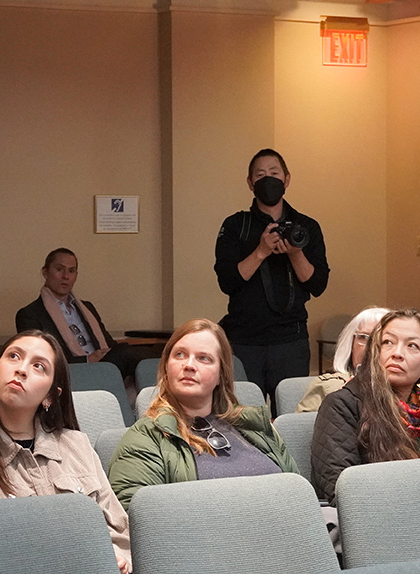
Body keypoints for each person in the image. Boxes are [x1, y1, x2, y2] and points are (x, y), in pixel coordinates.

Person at [0, 330, 131, 574]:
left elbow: (119, 531)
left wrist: (116, 557)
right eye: (14, 356)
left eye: (39, 366)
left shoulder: (76, 444)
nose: (22, 370)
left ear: (50, 395)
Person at [107, 319, 299, 510]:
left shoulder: (256, 428)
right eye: (180, 355)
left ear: (220, 375)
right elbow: (141, 522)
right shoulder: (145, 439)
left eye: (203, 358)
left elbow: (299, 495)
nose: (189, 365)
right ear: (166, 367)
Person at [215, 149, 330, 405]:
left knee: (290, 415)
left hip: (291, 341)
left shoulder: (306, 227)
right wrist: (261, 251)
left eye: (274, 173)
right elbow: (227, 282)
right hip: (244, 342)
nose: (268, 179)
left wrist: (296, 253)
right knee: (242, 417)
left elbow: (318, 284)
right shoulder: (236, 226)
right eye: (261, 175)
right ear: (250, 183)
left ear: (287, 179)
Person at [309, 309, 420, 505]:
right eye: (388, 342)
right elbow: (342, 491)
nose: (397, 353)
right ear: (375, 351)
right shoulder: (342, 406)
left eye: (413, 346)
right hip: (370, 518)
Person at [15, 247, 141, 378]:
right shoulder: (29, 315)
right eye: (59, 269)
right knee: (127, 353)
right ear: (45, 273)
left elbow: (109, 344)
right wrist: (87, 360)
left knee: (143, 354)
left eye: (71, 271)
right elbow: (39, 361)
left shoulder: (87, 307)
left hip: (103, 366)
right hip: (71, 373)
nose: (66, 276)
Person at [296, 307, 391, 412]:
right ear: (350, 344)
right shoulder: (328, 387)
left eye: (383, 341)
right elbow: (301, 426)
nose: (371, 346)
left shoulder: (407, 391)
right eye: (364, 337)